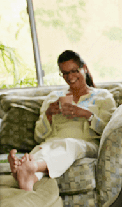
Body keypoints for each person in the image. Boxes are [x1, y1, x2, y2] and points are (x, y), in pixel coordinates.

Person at [7, 50, 116, 191]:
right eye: (64, 73)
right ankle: (26, 180)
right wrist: (49, 115)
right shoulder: (53, 97)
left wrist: (87, 115)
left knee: (69, 145)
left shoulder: (103, 97)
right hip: (53, 142)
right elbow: (38, 136)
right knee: (44, 149)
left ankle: (30, 166)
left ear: (84, 68)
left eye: (74, 71)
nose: (70, 77)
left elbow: (109, 132)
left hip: (85, 143)